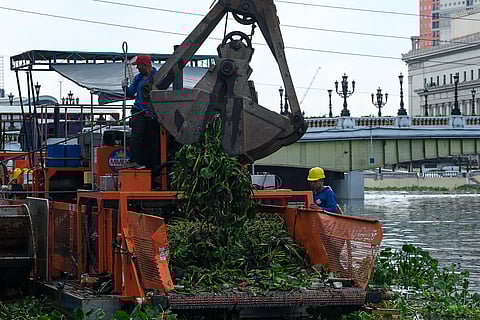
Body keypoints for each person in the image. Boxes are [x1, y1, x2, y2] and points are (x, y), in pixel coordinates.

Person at [122, 55, 160, 169]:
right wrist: (124, 87)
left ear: (145, 65)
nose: (137, 68)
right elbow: (130, 92)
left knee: (151, 139)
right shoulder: (138, 78)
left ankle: (149, 165)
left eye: (138, 66)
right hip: (138, 111)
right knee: (137, 135)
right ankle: (135, 161)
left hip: (152, 113)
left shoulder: (157, 77)